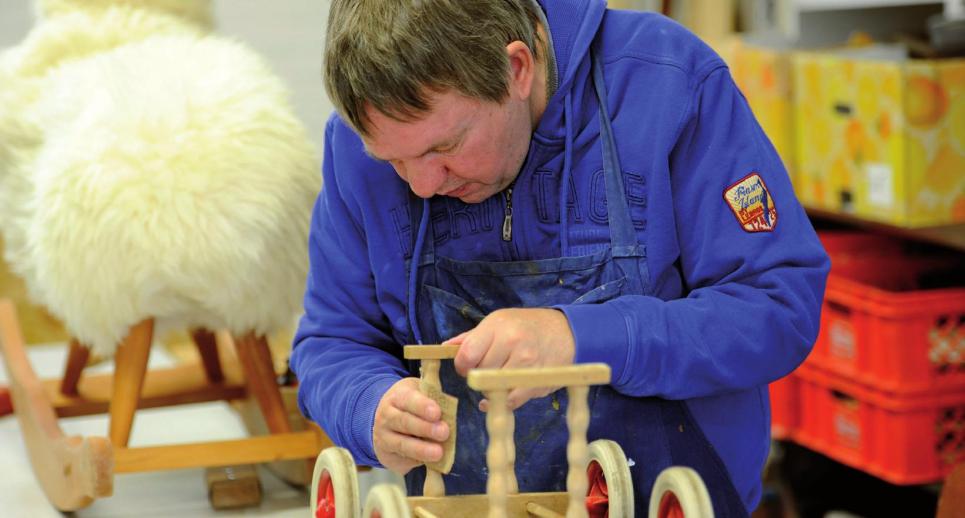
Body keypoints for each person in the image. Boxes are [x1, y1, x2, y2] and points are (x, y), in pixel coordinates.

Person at [291, 0, 829, 516]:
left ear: (517, 69)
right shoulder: (355, 146)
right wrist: (368, 406)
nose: (423, 185)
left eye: (444, 148)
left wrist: (581, 337)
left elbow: (777, 306)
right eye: (394, 161)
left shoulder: (667, 83)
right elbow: (332, 341)